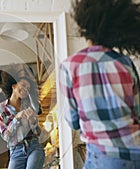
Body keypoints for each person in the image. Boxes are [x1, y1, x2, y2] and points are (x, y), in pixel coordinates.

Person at [59, 0, 140, 169]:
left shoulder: (70, 66)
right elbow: (137, 111)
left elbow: (73, 120)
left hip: (104, 155)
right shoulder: (124, 62)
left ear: (85, 28)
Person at [0, 65, 45, 169]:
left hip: (34, 147)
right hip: (15, 152)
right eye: (22, 85)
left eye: (28, 88)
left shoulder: (29, 105)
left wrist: (32, 121)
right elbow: (6, 136)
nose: (25, 89)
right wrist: (17, 118)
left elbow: (37, 133)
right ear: (13, 86)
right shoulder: (1, 109)